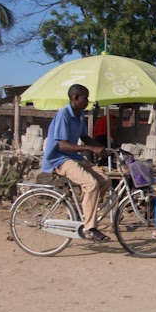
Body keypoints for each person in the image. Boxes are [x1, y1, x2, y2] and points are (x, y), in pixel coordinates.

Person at [42, 84, 112, 242]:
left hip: (74, 158)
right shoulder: (64, 114)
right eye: (85, 97)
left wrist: (101, 147)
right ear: (74, 98)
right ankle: (90, 229)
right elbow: (62, 145)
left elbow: (85, 137)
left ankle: (83, 211)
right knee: (91, 184)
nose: (87, 101)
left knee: (105, 180)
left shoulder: (80, 114)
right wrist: (90, 148)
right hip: (60, 158)